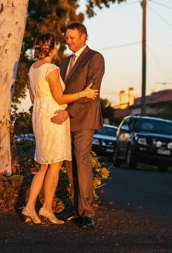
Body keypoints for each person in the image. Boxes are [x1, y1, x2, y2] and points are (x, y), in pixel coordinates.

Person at [20, 33, 98, 225]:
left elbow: (32, 97)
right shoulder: (51, 69)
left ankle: (30, 206)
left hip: (39, 115)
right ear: (52, 48)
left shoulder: (33, 68)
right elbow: (60, 98)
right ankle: (45, 208)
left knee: (44, 165)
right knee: (54, 165)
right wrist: (83, 93)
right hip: (53, 117)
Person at [51, 22, 105, 229]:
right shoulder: (64, 62)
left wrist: (68, 112)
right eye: (66, 38)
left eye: (72, 38)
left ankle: (87, 212)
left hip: (84, 118)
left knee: (81, 161)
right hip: (66, 119)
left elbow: (92, 92)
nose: (68, 41)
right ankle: (75, 208)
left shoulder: (95, 58)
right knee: (70, 163)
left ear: (83, 37)